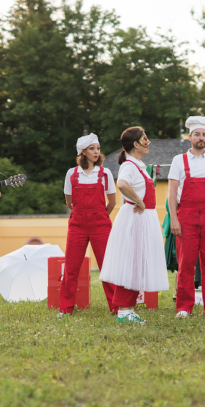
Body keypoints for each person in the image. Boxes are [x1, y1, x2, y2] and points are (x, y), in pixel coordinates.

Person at [100, 127, 168, 324]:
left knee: (137, 263)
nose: (148, 142)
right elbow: (121, 184)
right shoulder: (129, 166)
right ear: (136, 145)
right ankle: (123, 310)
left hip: (142, 219)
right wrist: (139, 200)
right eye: (144, 139)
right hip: (135, 220)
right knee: (132, 262)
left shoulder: (138, 164)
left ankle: (127, 308)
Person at [168, 116, 205, 317]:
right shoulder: (179, 160)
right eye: (197, 134)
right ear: (189, 137)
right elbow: (171, 192)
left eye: (204, 134)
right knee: (186, 263)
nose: (201, 138)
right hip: (186, 215)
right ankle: (184, 307)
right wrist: (174, 220)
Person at [59, 134, 118, 317]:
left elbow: (112, 202)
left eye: (98, 148)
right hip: (77, 225)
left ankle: (116, 307)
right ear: (83, 151)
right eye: (92, 148)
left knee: (107, 266)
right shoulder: (72, 174)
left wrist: (99, 216)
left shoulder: (105, 173)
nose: (96, 152)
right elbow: (69, 203)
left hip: (100, 224)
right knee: (71, 267)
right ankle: (65, 308)